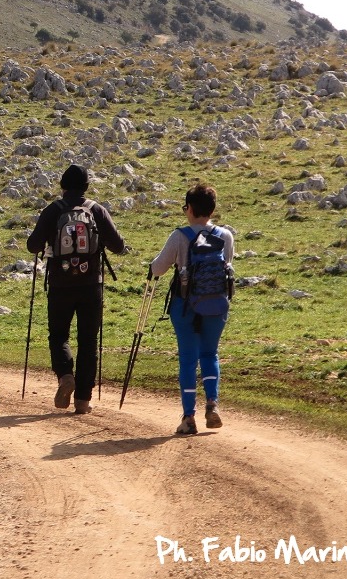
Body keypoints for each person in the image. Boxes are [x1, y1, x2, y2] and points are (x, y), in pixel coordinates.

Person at [28, 164, 127, 415]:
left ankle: (64, 376)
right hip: (91, 284)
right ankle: (83, 400)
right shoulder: (96, 210)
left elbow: (32, 245)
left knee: (59, 335)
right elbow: (117, 245)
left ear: (62, 186)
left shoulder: (53, 210)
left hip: (60, 285)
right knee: (88, 341)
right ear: (86, 186)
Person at [148, 181, 234, 435]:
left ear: (190, 209)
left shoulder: (180, 236)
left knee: (188, 359)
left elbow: (159, 268)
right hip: (217, 305)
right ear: (211, 209)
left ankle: (188, 417)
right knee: (210, 354)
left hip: (185, 306)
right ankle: (212, 404)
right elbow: (227, 263)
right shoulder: (225, 235)